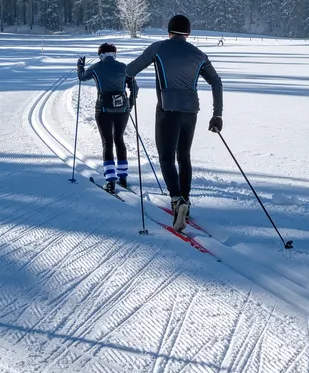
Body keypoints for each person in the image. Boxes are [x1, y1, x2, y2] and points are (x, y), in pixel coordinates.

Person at [126, 15, 223, 231]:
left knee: (166, 158)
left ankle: (177, 199)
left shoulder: (158, 48)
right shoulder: (199, 55)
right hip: (191, 111)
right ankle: (185, 202)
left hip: (167, 110)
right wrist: (217, 115)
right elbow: (216, 81)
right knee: (184, 157)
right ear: (188, 33)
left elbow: (130, 70)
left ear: (169, 31)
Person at [78, 43, 138, 194]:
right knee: (119, 139)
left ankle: (111, 181)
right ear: (114, 54)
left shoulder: (97, 67)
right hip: (122, 109)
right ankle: (123, 177)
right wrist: (129, 103)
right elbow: (134, 87)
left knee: (107, 142)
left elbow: (81, 78)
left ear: (101, 55)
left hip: (103, 109)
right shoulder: (124, 67)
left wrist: (80, 66)